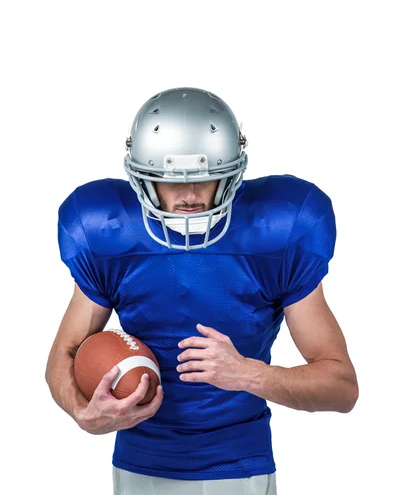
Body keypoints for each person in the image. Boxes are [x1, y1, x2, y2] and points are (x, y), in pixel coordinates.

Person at [46, 86, 359, 495]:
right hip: (138, 462)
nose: (190, 196)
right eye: (170, 181)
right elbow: (63, 354)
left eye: (206, 177)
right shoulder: (106, 230)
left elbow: (342, 385)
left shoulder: (279, 230)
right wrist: (81, 412)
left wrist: (250, 374)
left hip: (238, 465)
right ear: (141, 178)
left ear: (232, 172)